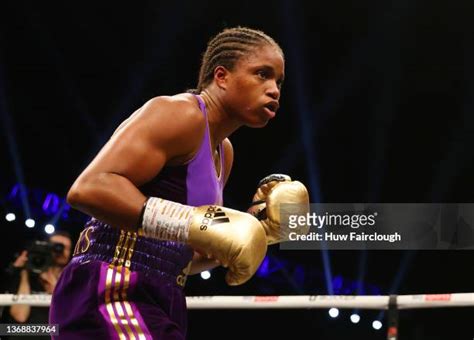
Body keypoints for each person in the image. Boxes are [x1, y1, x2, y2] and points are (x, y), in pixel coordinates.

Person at [50, 26, 308, 339]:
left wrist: (259, 233)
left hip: (165, 294)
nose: (274, 89)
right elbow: (88, 188)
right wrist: (192, 219)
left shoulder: (223, 152)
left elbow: (185, 253)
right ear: (221, 76)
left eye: (278, 81)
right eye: (262, 74)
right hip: (111, 285)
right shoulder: (178, 113)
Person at [1, 231, 72, 339]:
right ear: (46, 247)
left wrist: (54, 288)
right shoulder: (23, 274)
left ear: (70, 251)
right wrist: (25, 272)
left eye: (64, 247)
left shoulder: (73, 280)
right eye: (55, 246)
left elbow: (69, 319)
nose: (59, 251)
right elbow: (20, 316)